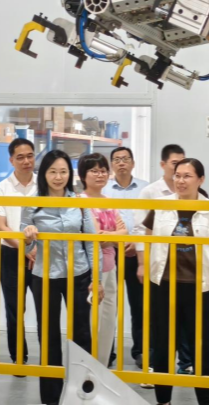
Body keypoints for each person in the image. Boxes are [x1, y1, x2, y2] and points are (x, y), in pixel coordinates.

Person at [140, 158, 209, 406]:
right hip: (164, 284)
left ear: (200, 180)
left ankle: (205, 400)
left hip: (200, 287)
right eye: (177, 175)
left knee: (202, 348)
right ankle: (163, 400)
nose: (180, 180)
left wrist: (201, 262)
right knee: (163, 345)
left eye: (187, 176)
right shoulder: (161, 206)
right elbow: (149, 236)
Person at [22, 150, 104, 405]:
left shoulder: (79, 202)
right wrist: (28, 237)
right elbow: (25, 247)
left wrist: (97, 278)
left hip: (78, 274)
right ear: (44, 174)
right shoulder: (32, 203)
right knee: (48, 336)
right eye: (53, 171)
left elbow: (91, 243)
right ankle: (51, 398)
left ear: (70, 174)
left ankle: (84, 393)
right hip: (45, 276)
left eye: (63, 171)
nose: (58, 177)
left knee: (82, 334)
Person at [135, 144, 193, 374]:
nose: (179, 171)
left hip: (188, 269)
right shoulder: (151, 192)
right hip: (159, 267)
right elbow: (141, 230)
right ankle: (155, 366)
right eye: (174, 164)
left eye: (183, 165)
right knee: (158, 318)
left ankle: (186, 363)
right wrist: (142, 263)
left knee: (186, 317)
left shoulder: (196, 194)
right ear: (163, 165)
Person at [0, 138, 38, 368]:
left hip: (41, 255)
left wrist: (34, 249)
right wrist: (26, 248)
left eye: (30, 156)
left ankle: (49, 358)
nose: (26, 161)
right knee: (14, 309)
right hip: (11, 255)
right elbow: (1, 227)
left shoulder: (44, 186)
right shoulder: (1, 188)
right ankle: (18, 358)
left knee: (45, 308)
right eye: (20, 157)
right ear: (11, 160)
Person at [79, 153, 128, 367]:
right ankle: (87, 367)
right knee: (91, 321)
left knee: (108, 320)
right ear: (83, 175)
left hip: (110, 267)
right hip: (90, 270)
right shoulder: (80, 201)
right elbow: (94, 235)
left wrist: (109, 236)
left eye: (103, 171)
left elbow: (124, 232)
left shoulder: (108, 201)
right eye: (94, 171)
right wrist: (112, 236)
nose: (100, 175)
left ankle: (102, 365)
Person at [102, 147, 149, 369]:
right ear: (112, 164)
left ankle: (140, 351)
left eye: (125, 159)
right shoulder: (104, 189)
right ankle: (107, 351)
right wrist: (117, 241)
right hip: (109, 252)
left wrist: (136, 244)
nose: (121, 163)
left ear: (133, 163)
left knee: (139, 304)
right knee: (108, 303)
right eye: (117, 159)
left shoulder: (145, 189)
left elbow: (148, 221)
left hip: (136, 253)